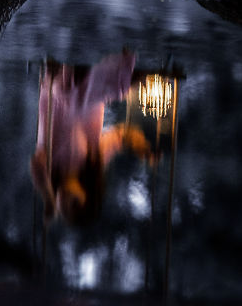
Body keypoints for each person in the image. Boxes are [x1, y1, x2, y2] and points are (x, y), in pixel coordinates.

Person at [30, 50, 151, 226]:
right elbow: (120, 137)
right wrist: (141, 147)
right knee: (116, 90)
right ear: (86, 193)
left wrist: (48, 198)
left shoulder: (50, 167)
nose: (65, 199)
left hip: (58, 94)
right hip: (89, 98)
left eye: (61, 204)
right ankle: (136, 58)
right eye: (74, 203)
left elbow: (36, 164)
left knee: (84, 90)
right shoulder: (93, 162)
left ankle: (91, 65)